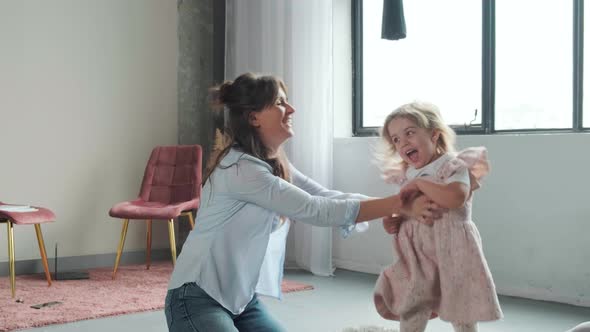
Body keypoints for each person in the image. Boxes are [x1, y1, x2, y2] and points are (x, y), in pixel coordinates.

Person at [164, 73, 436, 332]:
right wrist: (398, 204)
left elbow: (325, 196)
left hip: (241, 302)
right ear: (254, 117)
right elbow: (314, 210)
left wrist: (400, 202)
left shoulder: (272, 164)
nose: (291, 108)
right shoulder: (241, 170)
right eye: (280, 102)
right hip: (195, 298)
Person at [372, 102, 503, 332]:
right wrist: (392, 220)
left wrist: (422, 183)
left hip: (453, 247)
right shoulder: (405, 175)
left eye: (410, 133)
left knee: (460, 302)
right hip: (416, 252)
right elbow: (401, 207)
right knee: (413, 301)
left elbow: (455, 198)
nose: (403, 143)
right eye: (396, 139)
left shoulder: (453, 165)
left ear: (434, 135)